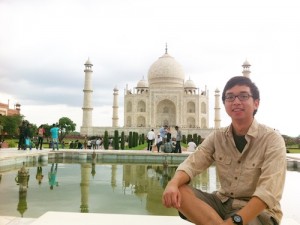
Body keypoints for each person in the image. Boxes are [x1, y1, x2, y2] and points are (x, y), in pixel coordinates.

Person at [162, 76, 286, 225]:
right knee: (180, 191)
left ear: (256, 103)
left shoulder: (272, 139)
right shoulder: (218, 137)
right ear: (225, 104)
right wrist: (172, 183)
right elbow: (192, 164)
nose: (236, 101)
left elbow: (268, 193)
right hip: (223, 203)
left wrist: (235, 221)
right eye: (230, 97)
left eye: (243, 96)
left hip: (257, 211)